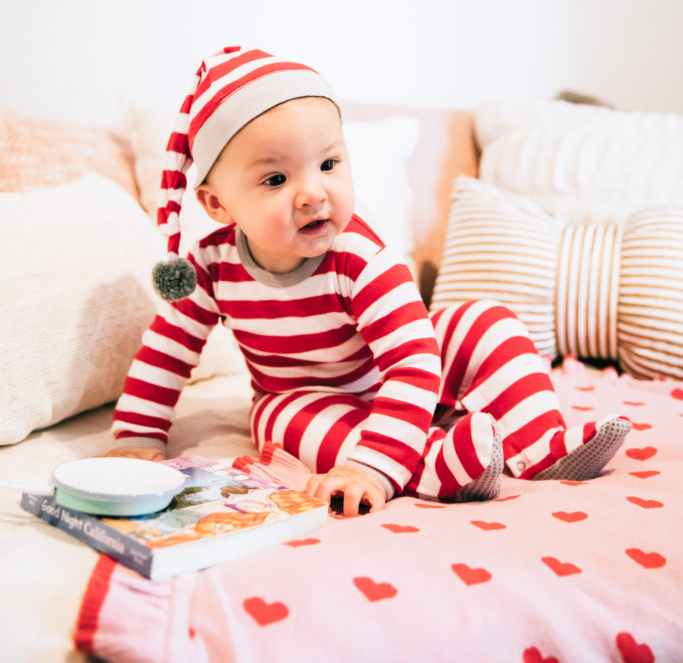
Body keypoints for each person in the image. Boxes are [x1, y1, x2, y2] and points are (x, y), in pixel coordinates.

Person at [110, 46, 631, 517]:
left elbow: (414, 361)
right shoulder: (209, 266)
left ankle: (542, 445)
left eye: (329, 163)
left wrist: (376, 458)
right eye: (275, 178)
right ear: (217, 204)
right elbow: (167, 350)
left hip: (399, 373)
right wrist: (138, 436)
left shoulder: (361, 256)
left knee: (487, 321)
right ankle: (437, 463)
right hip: (302, 395)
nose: (313, 193)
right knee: (282, 424)